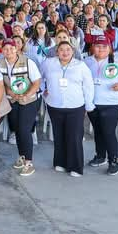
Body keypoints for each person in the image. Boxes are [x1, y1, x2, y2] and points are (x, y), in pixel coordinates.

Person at [41, 41, 95, 177]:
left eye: (68, 50)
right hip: (55, 105)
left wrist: (89, 105)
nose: (65, 52)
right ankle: (60, 162)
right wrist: (43, 90)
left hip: (75, 106)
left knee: (74, 137)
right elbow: (39, 78)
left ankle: (76, 167)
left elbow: (88, 86)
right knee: (58, 135)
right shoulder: (49, 63)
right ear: (56, 52)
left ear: (73, 51)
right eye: (61, 50)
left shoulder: (80, 66)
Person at [83, 35, 118, 175]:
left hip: (110, 103)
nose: (101, 49)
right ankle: (100, 156)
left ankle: (114, 161)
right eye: (98, 46)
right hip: (92, 103)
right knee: (98, 131)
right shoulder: (87, 61)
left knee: (108, 132)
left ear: (110, 48)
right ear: (93, 47)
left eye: (104, 46)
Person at [0, 39, 42, 177]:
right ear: (2, 51)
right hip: (13, 100)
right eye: (5, 49)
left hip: (30, 100)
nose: (8, 51)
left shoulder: (28, 62)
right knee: (17, 129)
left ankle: (29, 162)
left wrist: (26, 95)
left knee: (24, 129)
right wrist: (9, 92)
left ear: (16, 49)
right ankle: (22, 156)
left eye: (11, 48)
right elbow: (0, 83)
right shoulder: (0, 63)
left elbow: (37, 82)